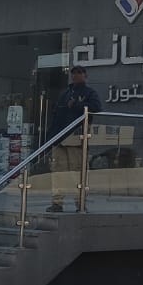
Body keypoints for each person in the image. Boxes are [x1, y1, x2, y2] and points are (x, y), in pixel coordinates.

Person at [47, 66, 103, 212]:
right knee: (58, 172)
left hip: (76, 138)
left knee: (77, 172)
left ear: (85, 75)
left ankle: (80, 202)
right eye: (74, 73)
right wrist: (52, 136)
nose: (76, 76)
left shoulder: (89, 92)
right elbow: (57, 113)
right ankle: (57, 202)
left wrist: (78, 105)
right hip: (60, 137)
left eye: (79, 73)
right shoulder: (65, 93)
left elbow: (96, 107)